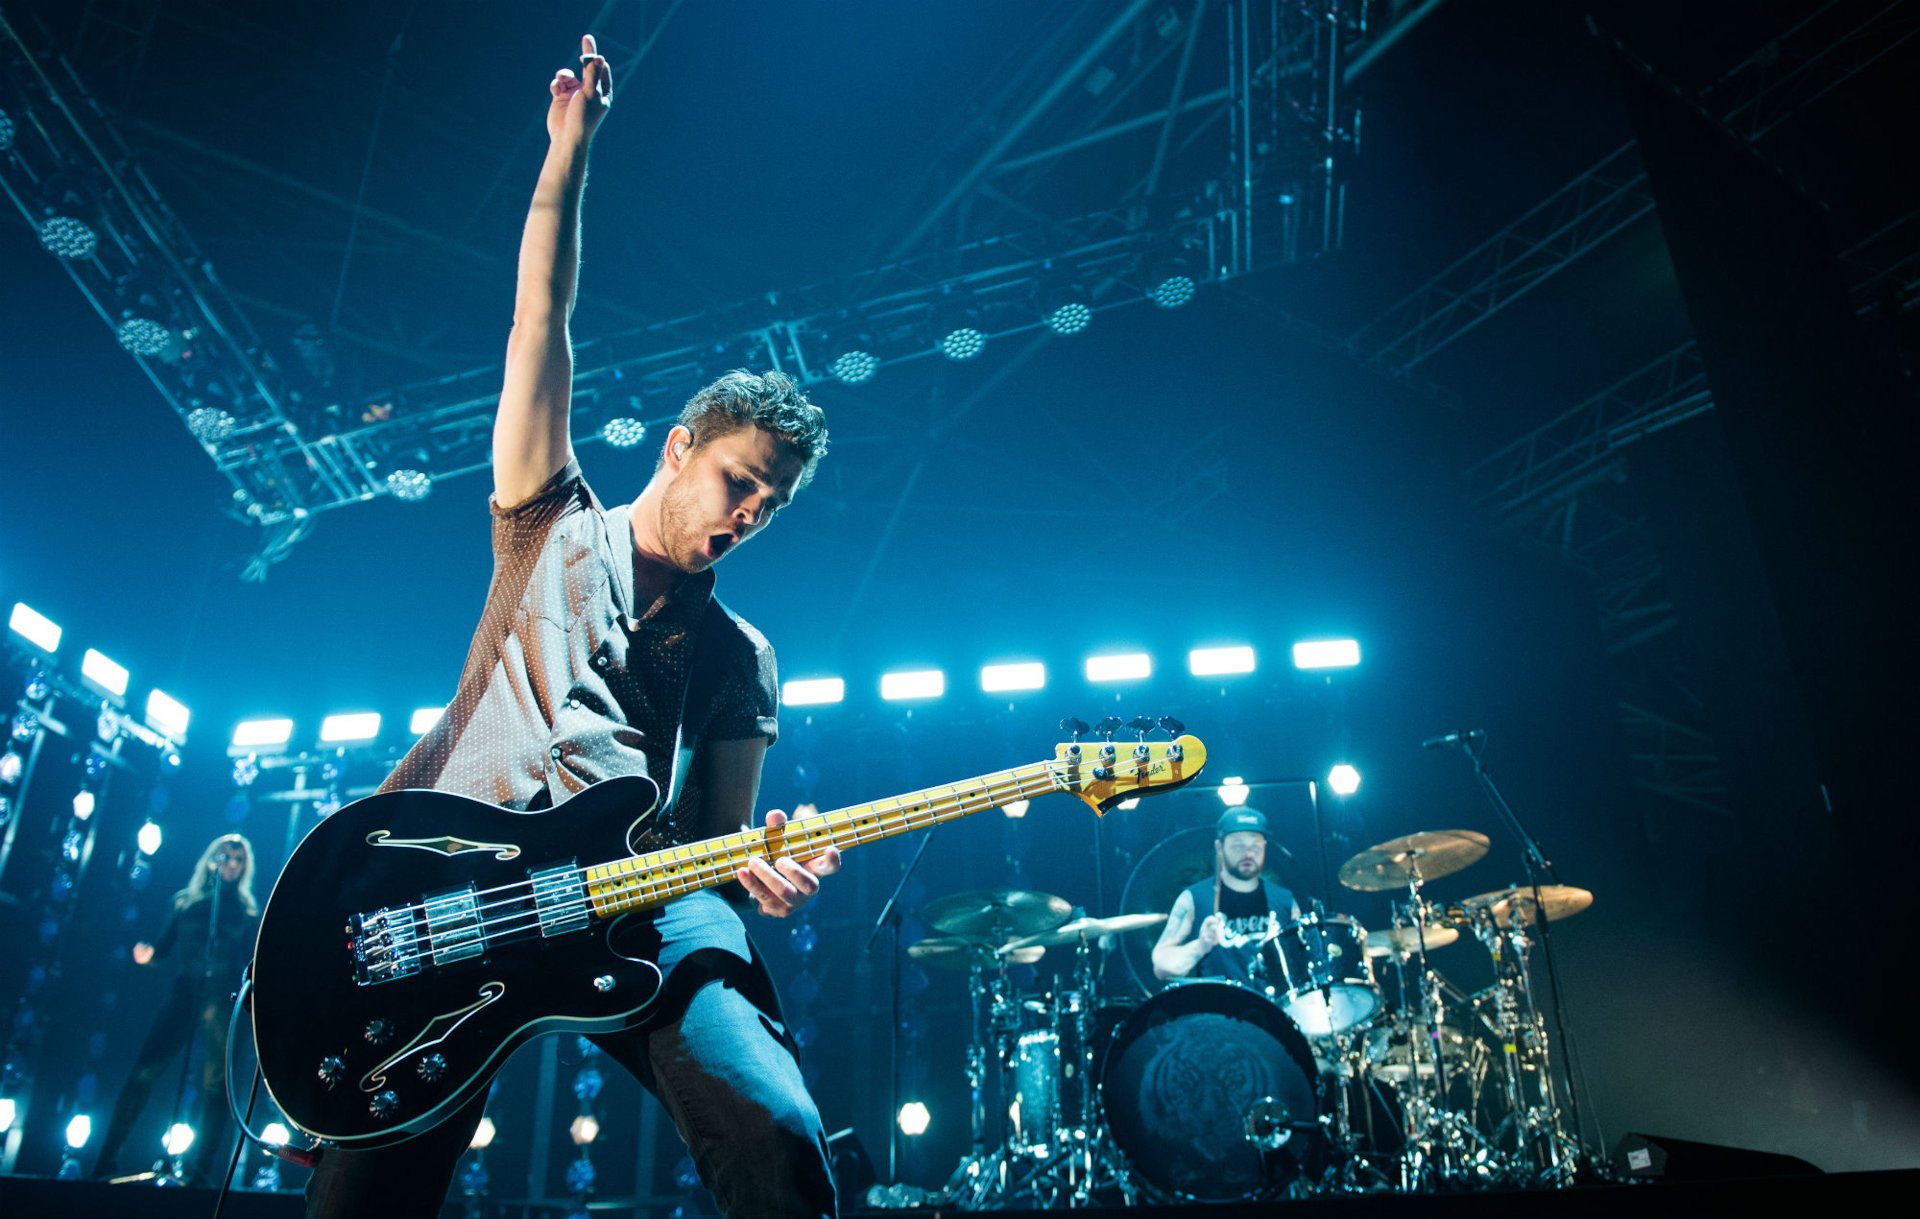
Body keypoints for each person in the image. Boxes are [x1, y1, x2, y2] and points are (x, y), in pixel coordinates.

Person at [303, 34, 840, 1219]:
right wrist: (568, 155)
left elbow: (718, 839)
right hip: (460, 891)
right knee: (365, 1195)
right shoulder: (548, 520)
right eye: (740, 481)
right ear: (679, 447)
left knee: (779, 1129)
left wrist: (766, 870)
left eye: (774, 505)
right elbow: (536, 318)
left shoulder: (740, 658)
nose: (749, 515)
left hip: (635, 900)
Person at [93, 834, 259, 1184]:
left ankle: (200, 1170)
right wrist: (148, 957)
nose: (231, 863)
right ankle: (107, 1159)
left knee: (216, 1084)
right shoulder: (185, 902)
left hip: (223, 993)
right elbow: (164, 950)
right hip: (186, 990)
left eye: (238, 859)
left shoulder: (245, 910)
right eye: (225, 856)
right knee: (144, 1071)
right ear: (211, 859)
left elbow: (250, 960)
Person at [1150, 808, 1301, 985]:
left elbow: (1303, 962)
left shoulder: (1285, 900)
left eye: (1255, 845)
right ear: (1219, 847)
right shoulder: (1193, 898)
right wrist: (1201, 946)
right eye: (1238, 845)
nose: (1248, 853)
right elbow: (1161, 968)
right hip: (1220, 1009)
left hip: (1275, 1009)